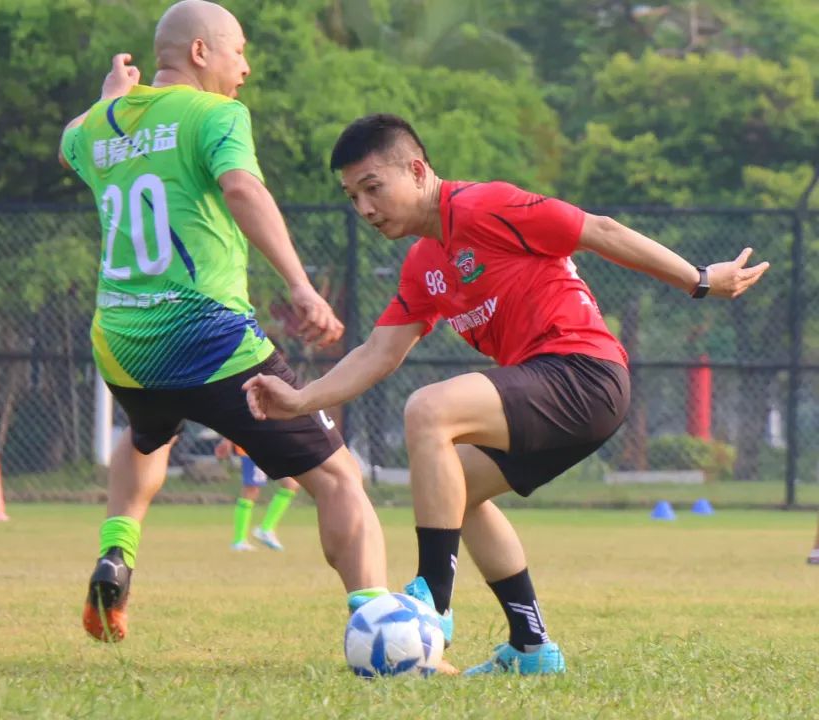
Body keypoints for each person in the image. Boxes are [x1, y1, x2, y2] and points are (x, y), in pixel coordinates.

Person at [243, 114, 770, 675]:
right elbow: (378, 352)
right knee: (456, 492)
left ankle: (433, 600)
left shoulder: (485, 206)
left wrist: (700, 280)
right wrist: (301, 400)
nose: (365, 208)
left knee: (428, 409)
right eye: (353, 197)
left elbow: (601, 230)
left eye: (373, 188)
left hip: (583, 372)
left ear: (417, 171)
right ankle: (531, 646)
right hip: (560, 389)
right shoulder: (424, 263)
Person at [58, 1, 388, 643]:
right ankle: (379, 628)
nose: (246, 68)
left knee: (148, 437)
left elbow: (69, 143)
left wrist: (108, 97)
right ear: (201, 52)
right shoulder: (216, 114)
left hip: (123, 343)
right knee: (337, 477)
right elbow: (242, 189)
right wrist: (300, 285)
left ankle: (116, 552)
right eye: (238, 50)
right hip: (210, 340)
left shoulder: (101, 124)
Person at [214, 437, 299, 551]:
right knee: (251, 490)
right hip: (254, 444)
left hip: (272, 445)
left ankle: (265, 529)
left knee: (291, 484)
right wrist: (227, 440)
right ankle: (239, 540)